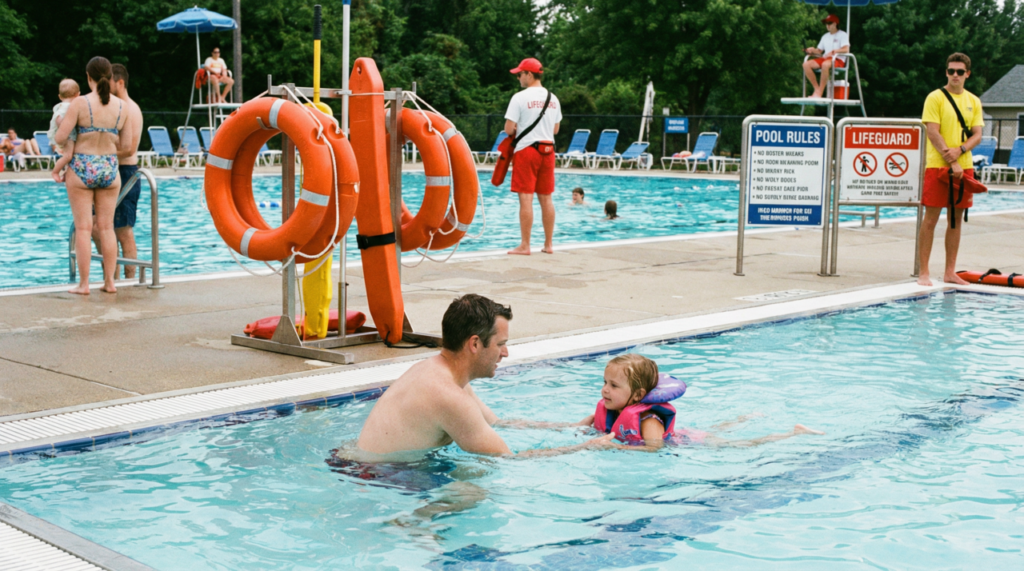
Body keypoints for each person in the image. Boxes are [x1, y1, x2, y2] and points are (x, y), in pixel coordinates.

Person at [573, 354, 824, 451]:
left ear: (638, 396)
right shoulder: (609, 410)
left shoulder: (648, 420)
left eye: (613, 386)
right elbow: (573, 426)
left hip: (691, 441)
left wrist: (614, 448)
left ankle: (792, 433)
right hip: (686, 434)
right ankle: (743, 418)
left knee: (740, 445)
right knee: (721, 427)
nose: (604, 390)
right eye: (605, 382)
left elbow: (654, 448)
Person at [54, 56, 132, 295]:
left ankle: (84, 284)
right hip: (109, 167)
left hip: (81, 167)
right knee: (107, 228)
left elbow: (59, 137)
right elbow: (127, 145)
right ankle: (110, 283)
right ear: (109, 77)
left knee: (84, 228)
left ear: (88, 77)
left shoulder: (80, 103)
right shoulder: (122, 106)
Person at [917, 53, 984, 287]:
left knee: (955, 220)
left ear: (967, 74)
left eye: (959, 71)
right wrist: (951, 157)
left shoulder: (974, 101)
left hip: (964, 166)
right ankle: (923, 272)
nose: (954, 75)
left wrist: (961, 150)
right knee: (931, 219)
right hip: (938, 165)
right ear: (946, 72)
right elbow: (933, 131)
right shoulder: (935, 98)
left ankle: (949, 271)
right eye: (950, 71)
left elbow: (977, 133)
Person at [504, 57, 562, 255]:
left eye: (520, 74)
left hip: (527, 151)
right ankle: (548, 245)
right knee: (546, 199)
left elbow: (508, 128)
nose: (518, 78)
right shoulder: (553, 98)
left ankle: (525, 245)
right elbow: (555, 130)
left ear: (529, 74)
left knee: (526, 199)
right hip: (548, 151)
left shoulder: (519, 98)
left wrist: (519, 128)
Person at [99, 63, 144, 279]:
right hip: (113, 171)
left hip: (127, 173)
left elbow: (130, 149)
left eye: (108, 84)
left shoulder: (131, 109)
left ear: (120, 82)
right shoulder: (116, 108)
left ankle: (129, 280)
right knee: (100, 228)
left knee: (123, 230)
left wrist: (98, 152)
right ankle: (112, 277)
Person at [802, 14, 849, 99]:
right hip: (826, 58)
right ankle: (817, 89)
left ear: (835, 24)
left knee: (825, 64)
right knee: (806, 64)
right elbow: (819, 52)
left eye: (829, 23)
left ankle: (820, 93)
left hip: (838, 59)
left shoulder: (843, 35)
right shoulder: (825, 36)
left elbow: (846, 49)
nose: (827, 25)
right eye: (826, 23)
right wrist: (811, 51)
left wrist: (835, 51)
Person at [49, 80, 82, 183]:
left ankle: (66, 174)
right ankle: (55, 171)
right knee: (68, 155)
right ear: (78, 95)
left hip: (66, 135)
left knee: (71, 156)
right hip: (68, 136)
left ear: (59, 96)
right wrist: (64, 130)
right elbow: (58, 118)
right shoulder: (67, 107)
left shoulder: (61, 105)